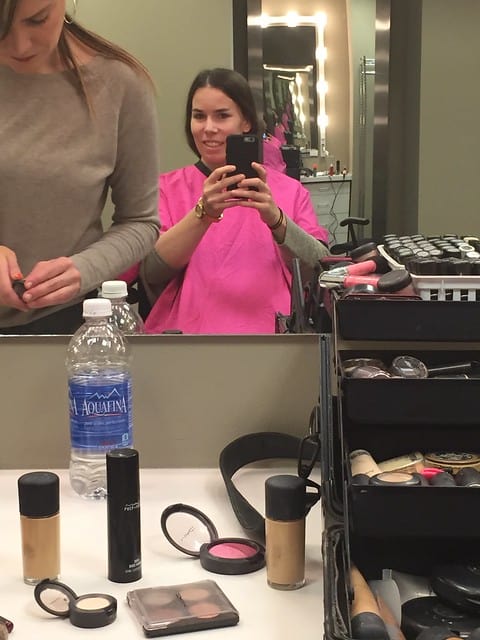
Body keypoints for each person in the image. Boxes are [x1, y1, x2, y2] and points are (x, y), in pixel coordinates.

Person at [0, 0, 160, 333]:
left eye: (37, 20)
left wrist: (84, 268)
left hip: (61, 327)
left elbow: (141, 222)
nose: (19, 45)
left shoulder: (119, 85)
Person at [141, 67, 330, 334]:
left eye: (222, 116)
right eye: (199, 116)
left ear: (246, 122)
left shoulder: (290, 191)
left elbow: (319, 268)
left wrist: (276, 221)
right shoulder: (166, 189)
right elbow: (151, 272)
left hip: (276, 339)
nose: (208, 128)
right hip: (185, 340)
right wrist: (202, 213)